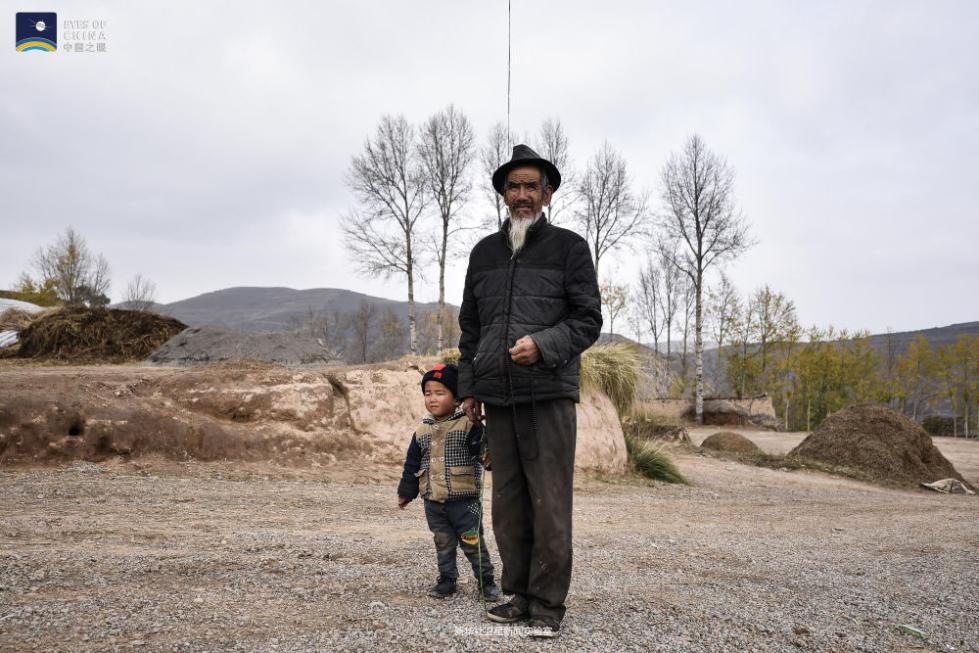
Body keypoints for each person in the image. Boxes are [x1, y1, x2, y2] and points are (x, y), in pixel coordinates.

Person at [457, 144, 603, 637]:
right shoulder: (482, 253)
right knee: (509, 503)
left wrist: (543, 345)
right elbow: (470, 329)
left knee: (549, 501)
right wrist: (470, 387)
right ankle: (518, 594)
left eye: (530, 186)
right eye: (513, 186)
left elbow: (588, 321)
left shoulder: (570, 248)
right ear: (503, 193)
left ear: (548, 193)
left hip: (549, 397)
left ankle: (547, 606)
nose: (522, 194)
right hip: (497, 398)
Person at [397, 363, 502, 602]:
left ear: (456, 399)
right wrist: (406, 491)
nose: (432, 399)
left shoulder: (468, 424)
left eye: (440, 393)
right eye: (428, 393)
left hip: (464, 502)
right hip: (433, 501)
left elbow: (484, 453)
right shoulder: (422, 431)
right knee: (442, 542)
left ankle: (487, 582)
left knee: (472, 542)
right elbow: (412, 464)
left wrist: (488, 454)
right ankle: (447, 580)